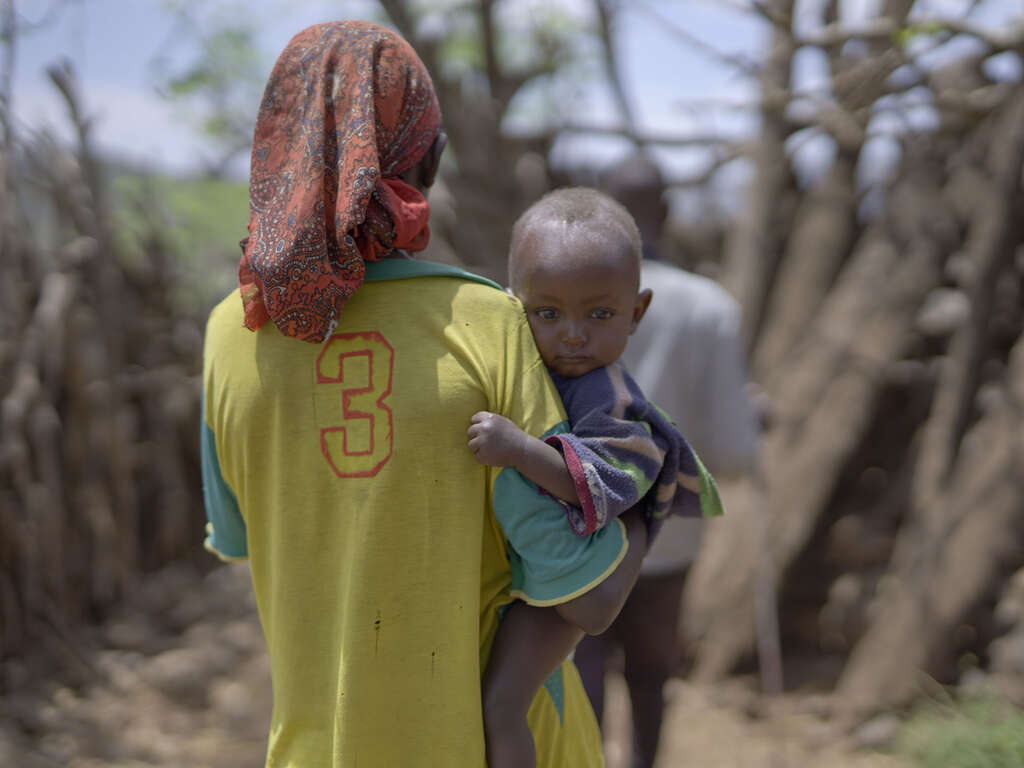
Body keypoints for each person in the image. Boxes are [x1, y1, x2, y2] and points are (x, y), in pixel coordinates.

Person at [200, 21, 644, 767]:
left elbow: (246, 538)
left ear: (277, 151)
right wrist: (650, 497)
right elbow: (582, 595)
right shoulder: (488, 324)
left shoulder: (227, 334)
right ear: (423, 159)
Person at [466, 187, 723, 768]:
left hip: (579, 577)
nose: (574, 334)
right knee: (504, 702)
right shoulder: (533, 372)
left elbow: (599, 490)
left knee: (517, 701)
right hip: (543, 571)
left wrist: (519, 448)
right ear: (514, 307)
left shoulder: (616, 402)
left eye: (599, 314)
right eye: (548, 313)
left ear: (637, 311)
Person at [573, 153, 761, 768]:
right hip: (667, 533)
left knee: (583, 660)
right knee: (652, 670)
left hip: (576, 525)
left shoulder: (557, 298)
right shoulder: (707, 307)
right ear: (668, 211)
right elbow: (732, 450)